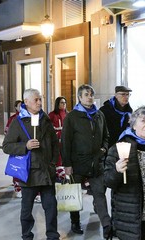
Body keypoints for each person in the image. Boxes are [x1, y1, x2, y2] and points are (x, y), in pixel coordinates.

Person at [3, 88, 60, 240]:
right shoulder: (18, 122)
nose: (39, 102)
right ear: (26, 102)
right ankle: (27, 235)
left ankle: (52, 235)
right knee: (27, 209)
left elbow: (55, 143)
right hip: (29, 174)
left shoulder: (45, 120)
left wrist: (53, 162)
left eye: (40, 99)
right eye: (36, 100)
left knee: (51, 207)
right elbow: (6, 146)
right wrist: (25, 146)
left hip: (47, 171)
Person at [61, 84, 111, 238]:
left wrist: (103, 150)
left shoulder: (99, 115)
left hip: (96, 163)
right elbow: (66, 142)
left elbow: (106, 137)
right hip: (77, 164)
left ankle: (107, 225)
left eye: (91, 94)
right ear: (80, 97)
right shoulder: (72, 117)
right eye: (86, 94)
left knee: (100, 194)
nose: (90, 97)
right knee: (74, 195)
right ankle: (75, 222)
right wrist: (67, 165)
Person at [104, 106, 145, 240]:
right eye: (143, 121)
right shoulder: (120, 148)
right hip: (131, 216)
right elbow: (108, 181)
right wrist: (117, 171)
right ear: (134, 125)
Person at [4, 100, 23, 198]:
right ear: (15, 108)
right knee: (16, 168)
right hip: (16, 148)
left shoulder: (28, 117)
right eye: (19, 106)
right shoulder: (13, 119)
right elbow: (7, 133)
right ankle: (17, 187)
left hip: (26, 148)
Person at [49, 96, 68, 182]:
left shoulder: (68, 114)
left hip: (66, 139)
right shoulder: (52, 115)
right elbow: (48, 127)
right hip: (56, 140)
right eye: (62, 102)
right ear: (57, 104)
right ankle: (59, 174)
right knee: (58, 157)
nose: (64, 104)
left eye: (65, 103)